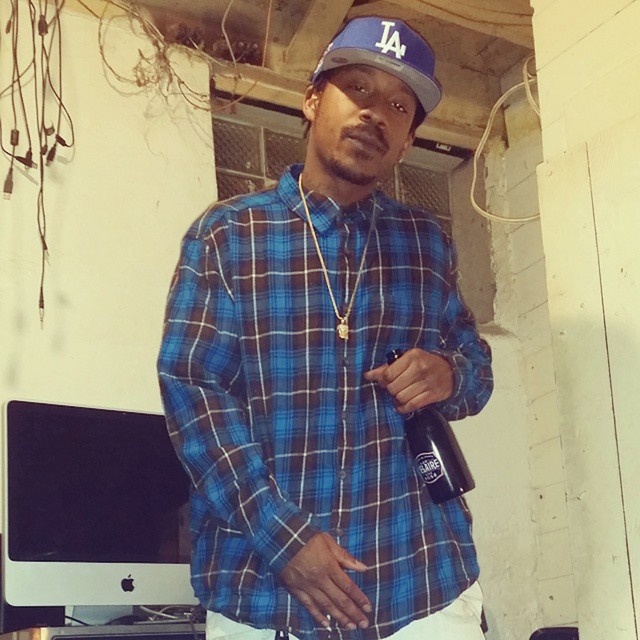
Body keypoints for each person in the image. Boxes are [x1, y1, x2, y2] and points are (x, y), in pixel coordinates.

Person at [157, 16, 493, 640]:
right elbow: (193, 393)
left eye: (398, 106)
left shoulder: (424, 244)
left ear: (407, 141)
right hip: (265, 592)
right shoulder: (228, 236)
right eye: (357, 88)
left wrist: (449, 373)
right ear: (312, 100)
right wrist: (282, 536)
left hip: (421, 583)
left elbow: (476, 365)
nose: (374, 113)